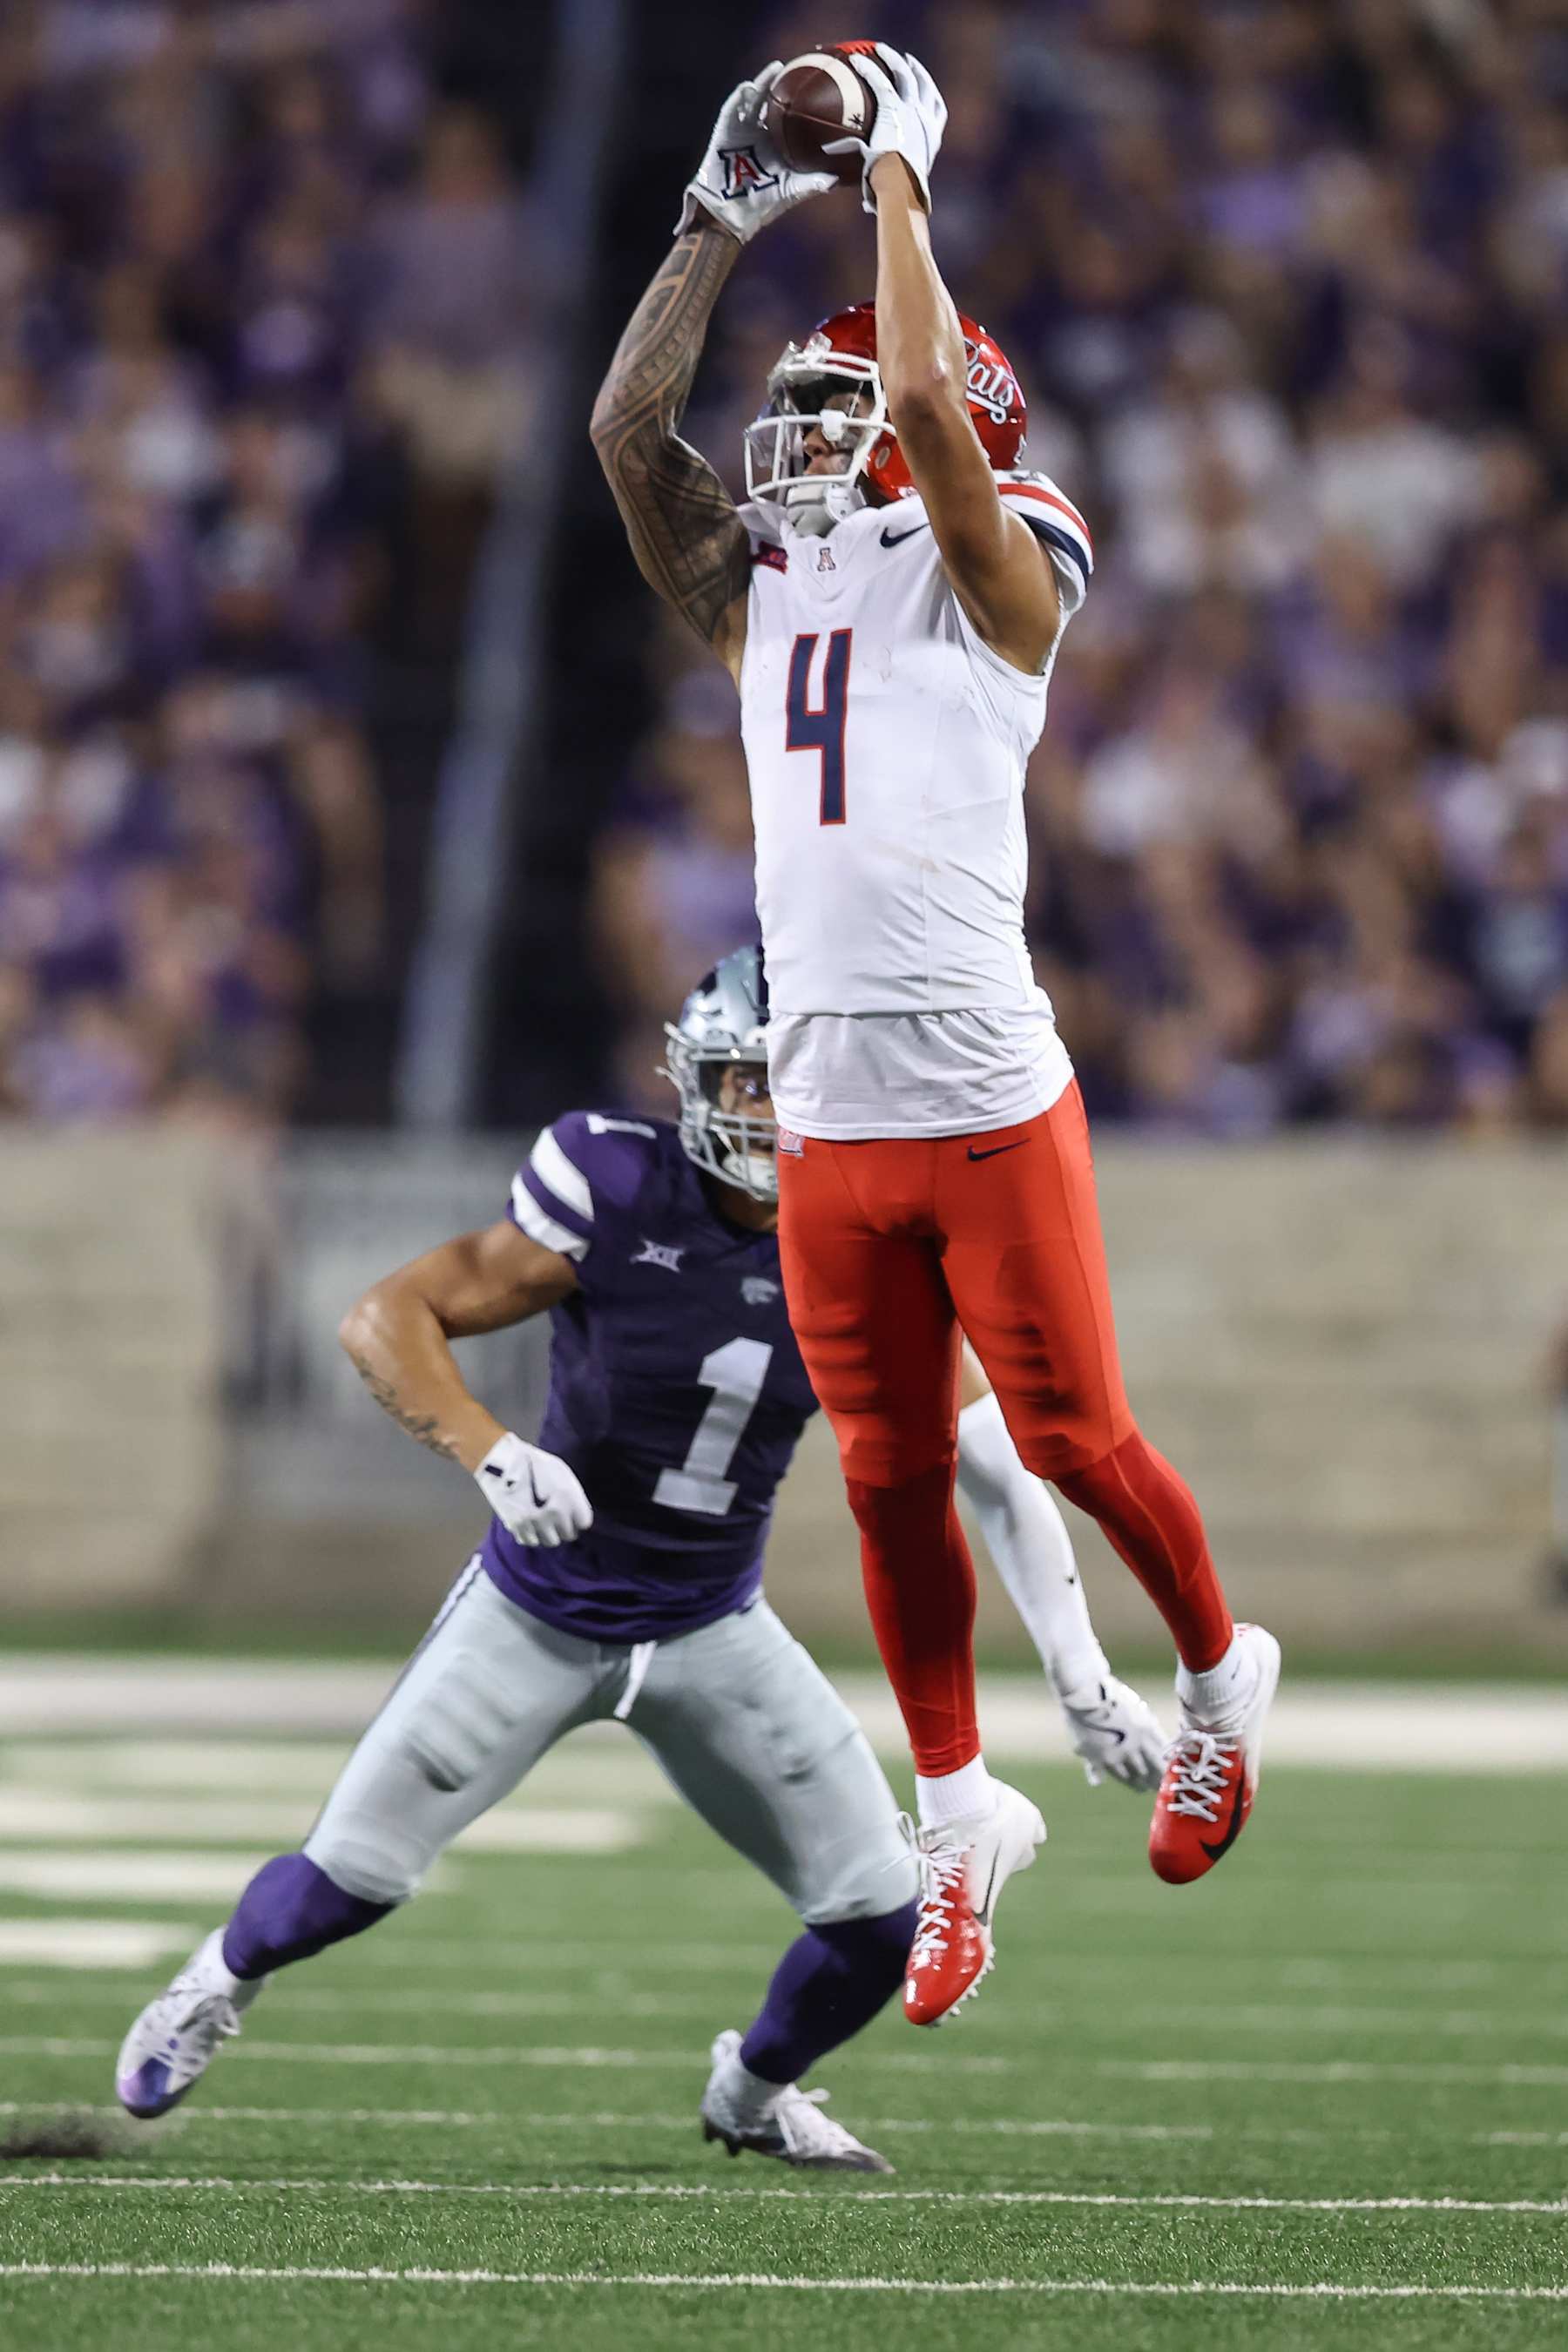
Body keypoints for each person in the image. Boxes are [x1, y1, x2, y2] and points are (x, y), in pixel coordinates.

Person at [590, 47, 1281, 2026]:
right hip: (828, 1100)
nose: (795, 437)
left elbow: (912, 400)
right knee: (890, 1475)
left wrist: (898, 172)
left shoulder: (1001, 565)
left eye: (829, 411)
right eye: (795, 410)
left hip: (981, 1088)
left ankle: (1220, 1676)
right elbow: (627, 428)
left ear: (943, 434)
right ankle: (965, 1810)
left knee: (1070, 1440)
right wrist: (712, 218)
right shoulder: (770, 587)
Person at [115, 947, 1164, 2154]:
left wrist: (1082, 1679)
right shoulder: (612, 1180)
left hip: (713, 1622)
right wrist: (490, 1452)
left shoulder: (877, 1242)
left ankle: (751, 2094)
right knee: (343, 1883)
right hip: (535, 1611)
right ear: (695, 1082)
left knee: (887, 1923)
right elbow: (386, 1315)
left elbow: (998, 1472)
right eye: (746, 1081)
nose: (767, 1110)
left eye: (791, 1079)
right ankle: (220, 1978)